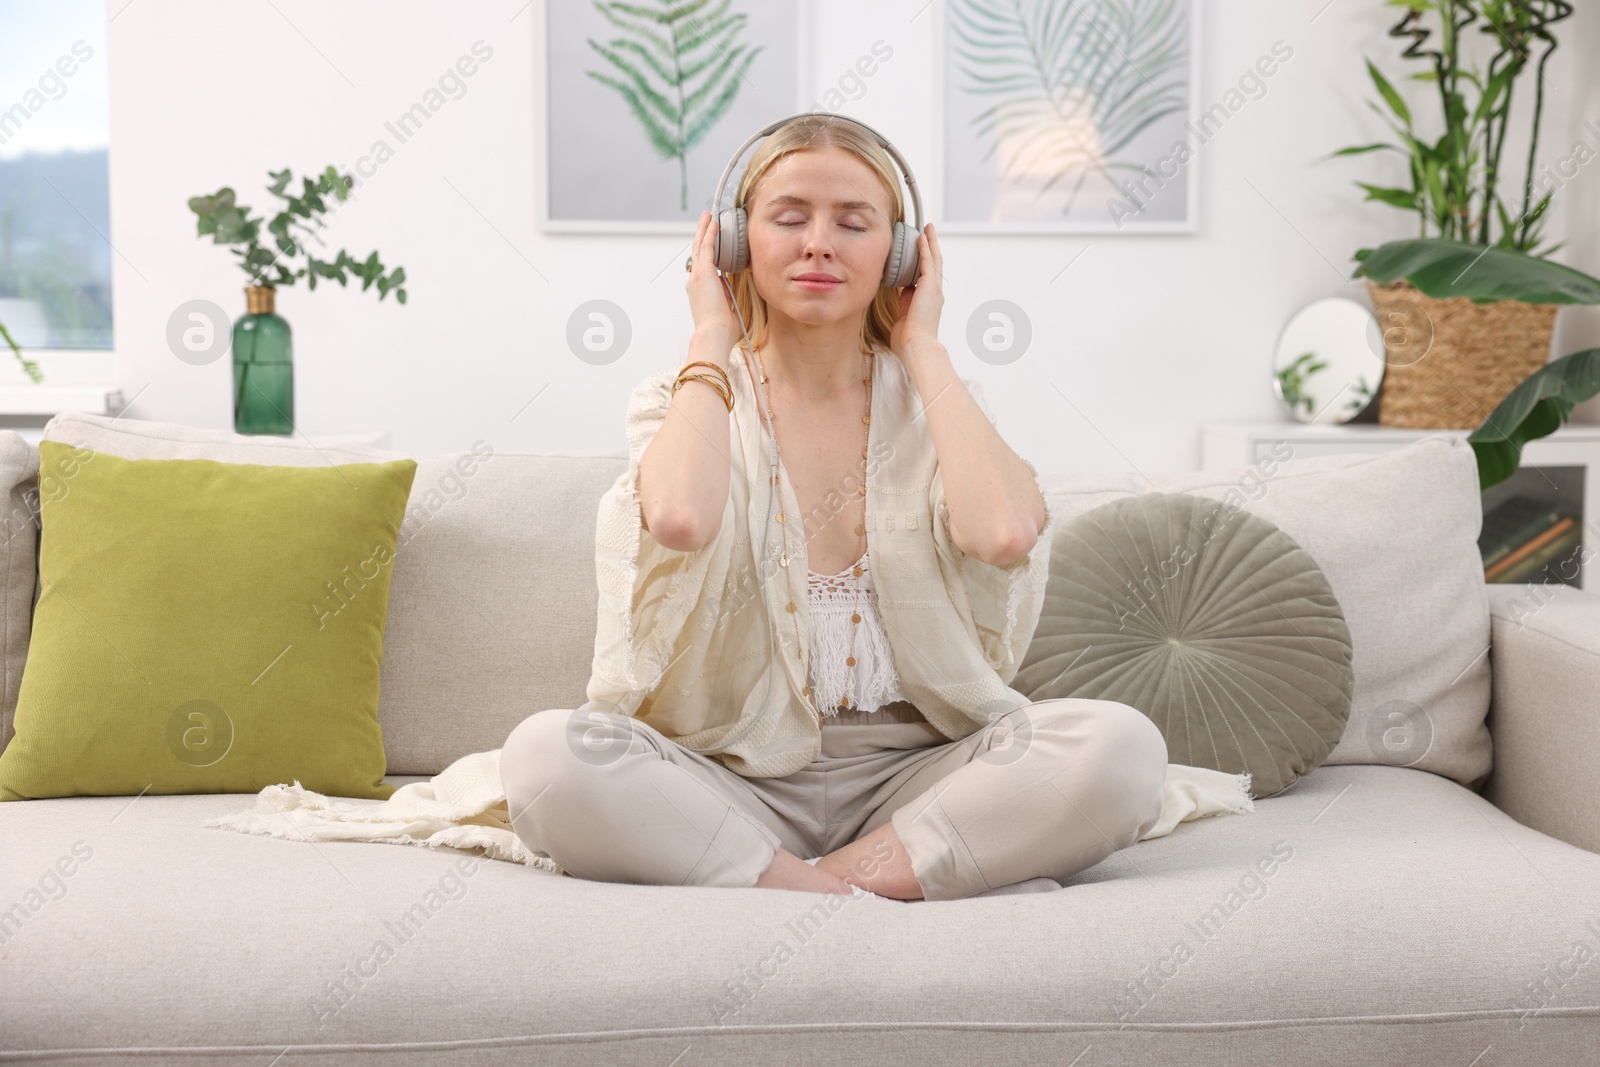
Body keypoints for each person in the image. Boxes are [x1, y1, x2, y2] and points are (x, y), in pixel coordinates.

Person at [498, 114, 1168, 902]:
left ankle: (794, 888)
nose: (819, 243)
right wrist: (709, 333)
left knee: (1124, 746)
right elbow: (680, 518)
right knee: (548, 756)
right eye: (789, 218)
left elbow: (1005, 533)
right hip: (728, 773)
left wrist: (925, 347)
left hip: (917, 778)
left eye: (854, 223)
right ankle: (871, 888)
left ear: (903, 251)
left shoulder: (936, 403)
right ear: (737, 243)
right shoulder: (685, 396)